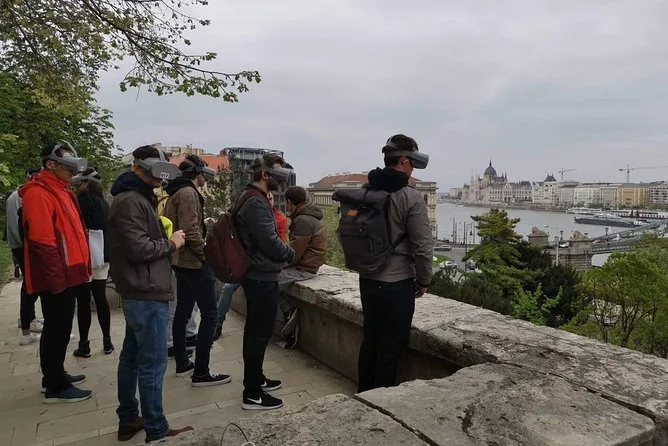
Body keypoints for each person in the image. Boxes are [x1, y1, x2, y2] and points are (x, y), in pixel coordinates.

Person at [108, 145, 193, 443]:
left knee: (132, 357)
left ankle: (129, 419)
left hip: (139, 289)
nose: (161, 176)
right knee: (152, 363)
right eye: (156, 169)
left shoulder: (134, 197)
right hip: (146, 291)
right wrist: (172, 243)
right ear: (137, 168)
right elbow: (139, 249)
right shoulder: (132, 201)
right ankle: (156, 430)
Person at [357, 134, 434, 393]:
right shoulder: (410, 197)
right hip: (396, 282)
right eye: (412, 162)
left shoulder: (367, 190)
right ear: (403, 160)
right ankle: (379, 401)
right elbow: (422, 246)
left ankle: (363, 394)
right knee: (390, 347)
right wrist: (424, 280)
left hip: (368, 278)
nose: (413, 168)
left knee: (370, 341)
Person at [20, 141, 92, 403]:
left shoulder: (62, 191)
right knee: (56, 329)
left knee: (60, 327)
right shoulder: (38, 194)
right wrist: (57, 281)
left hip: (69, 273)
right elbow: (44, 243)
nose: (72, 173)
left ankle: (55, 374)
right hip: (57, 277)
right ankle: (55, 386)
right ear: (50, 164)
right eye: (67, 167)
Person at [164, 154, 230, 386]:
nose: (207, 177)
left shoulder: (175, 192)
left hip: (181, 262)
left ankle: (183, 362)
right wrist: (206, 257)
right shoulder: (189, 193)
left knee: (182, 311)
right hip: (193, 263)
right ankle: (201, 372)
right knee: (210, 314)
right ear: (198, 173)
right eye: (205, 172)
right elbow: (191, 230)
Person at [234, 154, 294, 410]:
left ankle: (256, 379)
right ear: (266, 174)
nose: (282, 180)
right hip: (260, 275)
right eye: (278, 174)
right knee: (259, 334)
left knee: (256, 332)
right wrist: (290, 253)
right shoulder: (256, 203)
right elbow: (269, 241)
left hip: (255, 273)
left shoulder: (250, 197)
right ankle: (252, 394)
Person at [213, 191, 286, 341]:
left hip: (264, 266)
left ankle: (274, 330)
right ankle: (218, 324)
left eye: (271, 198)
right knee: (228, 288)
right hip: (245, 263)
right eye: (266, 198)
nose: (269, 201)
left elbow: (280, 244)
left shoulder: (279, 218)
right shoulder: (252, 213)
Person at [71, 168, 114, 357]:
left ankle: (84, 344)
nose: (77, 186)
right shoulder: (104, 203)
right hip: (102, 257)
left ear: (87, 183)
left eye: (80, 183)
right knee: (101, 298)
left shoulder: (79, 202)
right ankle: (107, 341)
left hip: (84, 256)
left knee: (83, 301)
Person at [277, 186, 326, 349]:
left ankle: (288, 311)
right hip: (308, 265)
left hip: (304, 268)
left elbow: (294, 253)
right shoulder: (308, 216)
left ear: (289, 202)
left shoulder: (303, 220)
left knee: (268, 281)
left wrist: (276, 264)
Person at [6, 168, 42, 345]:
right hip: (22, 246)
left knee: (30, 284)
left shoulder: (22, 195)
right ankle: (26, 321)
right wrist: (27, 247)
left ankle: (30, 317)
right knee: (29, 284)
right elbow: (16, 226)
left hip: (22, 245)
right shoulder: (18, 197)